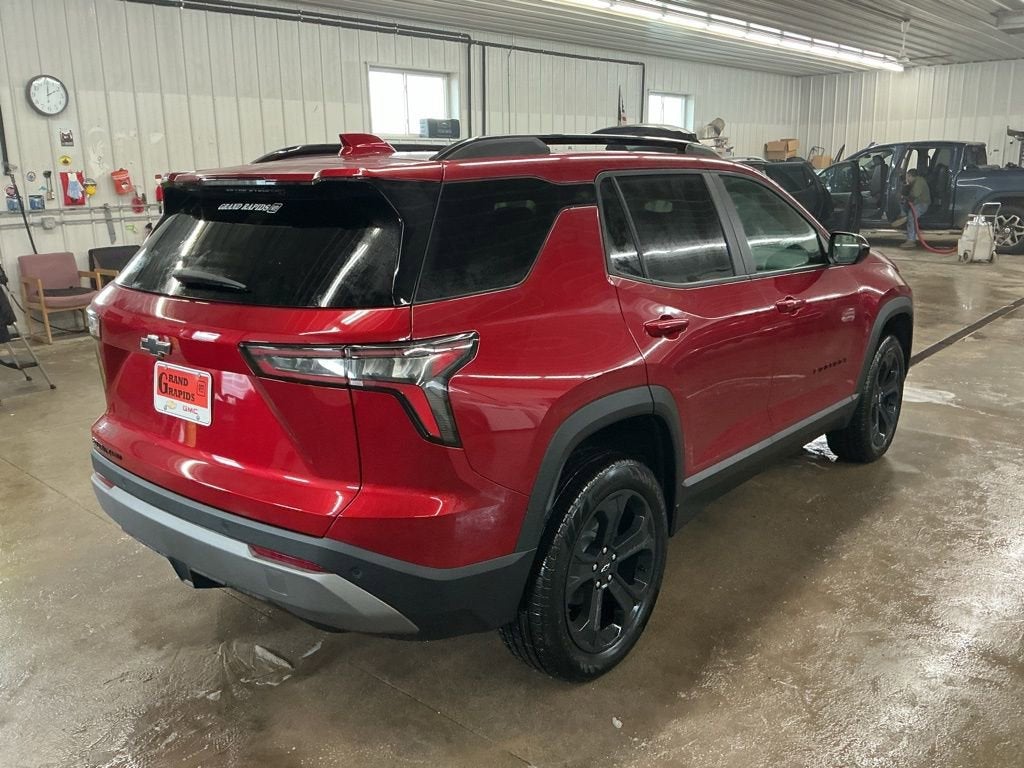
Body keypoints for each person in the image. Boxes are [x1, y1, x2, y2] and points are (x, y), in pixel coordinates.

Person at [891, 168, 931, 248]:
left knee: (911, 217)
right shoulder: (916, 181)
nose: (907, 179)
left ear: (910, 176)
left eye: (907, 177)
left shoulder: (919, 182)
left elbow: (914, 196)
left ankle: (911, 241)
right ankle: (903, 216)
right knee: (905, 208)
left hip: (922, 204)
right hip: (918, 203)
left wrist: (904, 197)